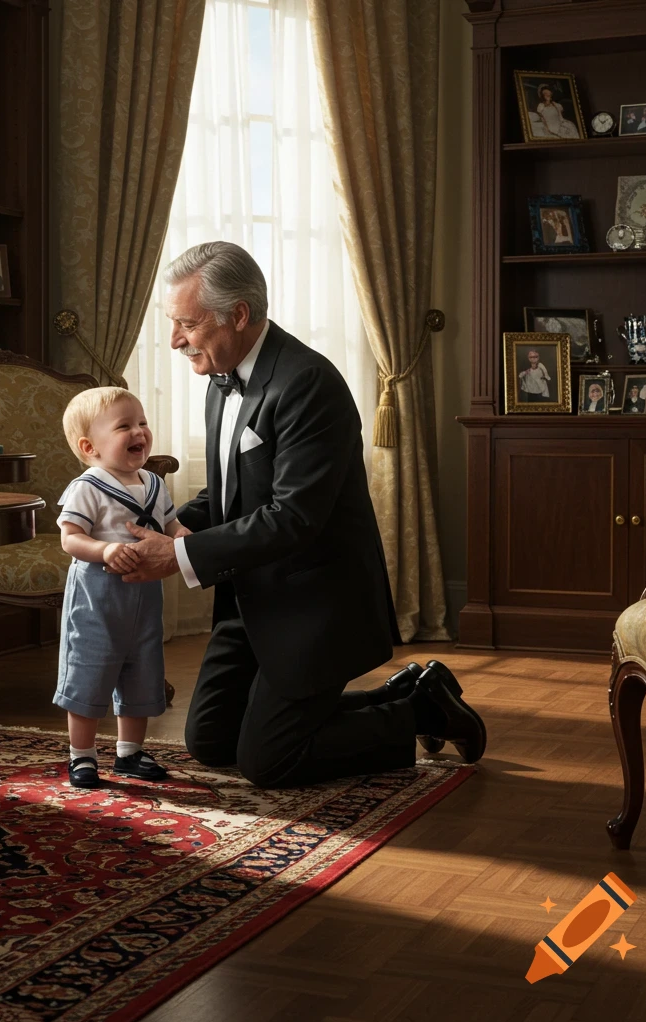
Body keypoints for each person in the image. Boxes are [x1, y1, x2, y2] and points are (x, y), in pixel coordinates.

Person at [110, 241, 485, 787]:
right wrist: (150, 518)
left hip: (317, 604)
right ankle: (411, 692)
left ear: (237, 315)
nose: (174, 340)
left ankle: (419, 713)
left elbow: (294, 517)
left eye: (186, 324)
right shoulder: (221, 377)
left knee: (269, 761)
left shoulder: (309, 383)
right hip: (253, 594)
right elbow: (229, 495)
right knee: (213, 743)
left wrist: (180, 554)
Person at [54, 387, 188, 788]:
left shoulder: (153, 484)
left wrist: (182, 535)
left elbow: (170, 525)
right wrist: (105, 548)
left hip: (144, 595)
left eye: (143, 423)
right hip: (97, 595)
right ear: (89, 446)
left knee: (142, 669)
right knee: (90, 670)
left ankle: (129, 753)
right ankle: (82, 756)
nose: (140, 432)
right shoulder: (88, 487)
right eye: (124, 426)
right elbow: (70, 538)